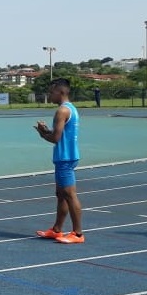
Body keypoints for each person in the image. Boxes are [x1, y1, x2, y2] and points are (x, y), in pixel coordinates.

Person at [34, 78, 84, 243]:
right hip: (66, 156)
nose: (50, 95)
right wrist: (46, 130)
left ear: (61, 92)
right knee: (61, 194)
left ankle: (77, 234)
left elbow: (56, 138)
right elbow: (59, 134)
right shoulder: (71, 109)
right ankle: (57, 229)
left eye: (52, 92)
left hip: (65, 157)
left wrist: (42, 134)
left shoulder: (62, 111)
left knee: (69, 194)